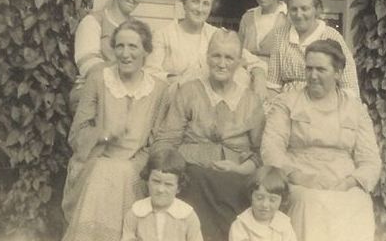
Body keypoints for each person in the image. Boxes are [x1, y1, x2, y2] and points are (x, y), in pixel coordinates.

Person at [261, 39, 382, 241]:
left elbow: (370, 160)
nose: (313, 76)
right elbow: (271, 149)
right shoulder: (287, 102)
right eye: (309, 69)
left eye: (320, 69)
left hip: (344, 182)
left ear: (338, 73)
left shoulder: (355, 109)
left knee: (360, 201)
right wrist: (299, 177)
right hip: (300, 181)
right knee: (311, 201)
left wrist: (348, 183)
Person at [153, 29, 265, 241]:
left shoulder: (251, 101)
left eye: (229, 57)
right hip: (192, 172)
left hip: (236, 177)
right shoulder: (188, 91)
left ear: (240, 62)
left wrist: (240, 168)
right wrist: (171, 169)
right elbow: (167, 139)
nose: (222, 63)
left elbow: (260, 153)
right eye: (216, 55)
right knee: (192, 182)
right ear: (207, 57)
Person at [62, 19, 168, 241]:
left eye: (133, 46)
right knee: (105, 171)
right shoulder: (99, 80)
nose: (125, 53)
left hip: (135, 167)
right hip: (95, 160)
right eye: (120, 46)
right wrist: (105, 134)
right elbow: (76, 136)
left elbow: (157, 141)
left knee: (121, 173)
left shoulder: (158, 89)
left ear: (146, 50)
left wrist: (136, 164)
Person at [144, 0, 267, 99]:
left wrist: (260, 78)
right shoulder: (164, 34)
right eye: (195, 2)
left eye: (206, 4)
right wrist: (177, 80)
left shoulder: (217, 34)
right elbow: (150, 73)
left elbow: (254, 62)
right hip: (176, 99)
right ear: (184, 4)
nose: (200, 9)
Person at [71, 0, 148, 107]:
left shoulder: (138, 29)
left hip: (130, 93)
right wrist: (128, 78)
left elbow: (144, 66)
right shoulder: (93, 21)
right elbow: (88, 64)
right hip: (95, 92)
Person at [267, 0, 359, 96]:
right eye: (294, 9)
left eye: (304, 9)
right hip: (288, 103)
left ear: (317, 10)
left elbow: (348, 83)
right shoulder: (280, 35)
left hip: (323, 103)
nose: (299, 15)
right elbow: (273, 85)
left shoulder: (330, 36)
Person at [121, 148, 203, 241]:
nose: (160, 189)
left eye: (168, 184)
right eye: (156, 181)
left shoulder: (188, 216)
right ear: (147, 181)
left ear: (178, 188)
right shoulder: (135, 213)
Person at [229, 166, 297, 241]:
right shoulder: (241, 225)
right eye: (259, 198)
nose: (264, 205)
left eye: (272, 200)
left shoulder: (284, 224)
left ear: (282, 200)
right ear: (251, 195)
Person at [238, 0, 288, 64]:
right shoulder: (247, 17)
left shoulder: (289, 17)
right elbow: (238, 52)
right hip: (247, 72)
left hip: (277, 74)